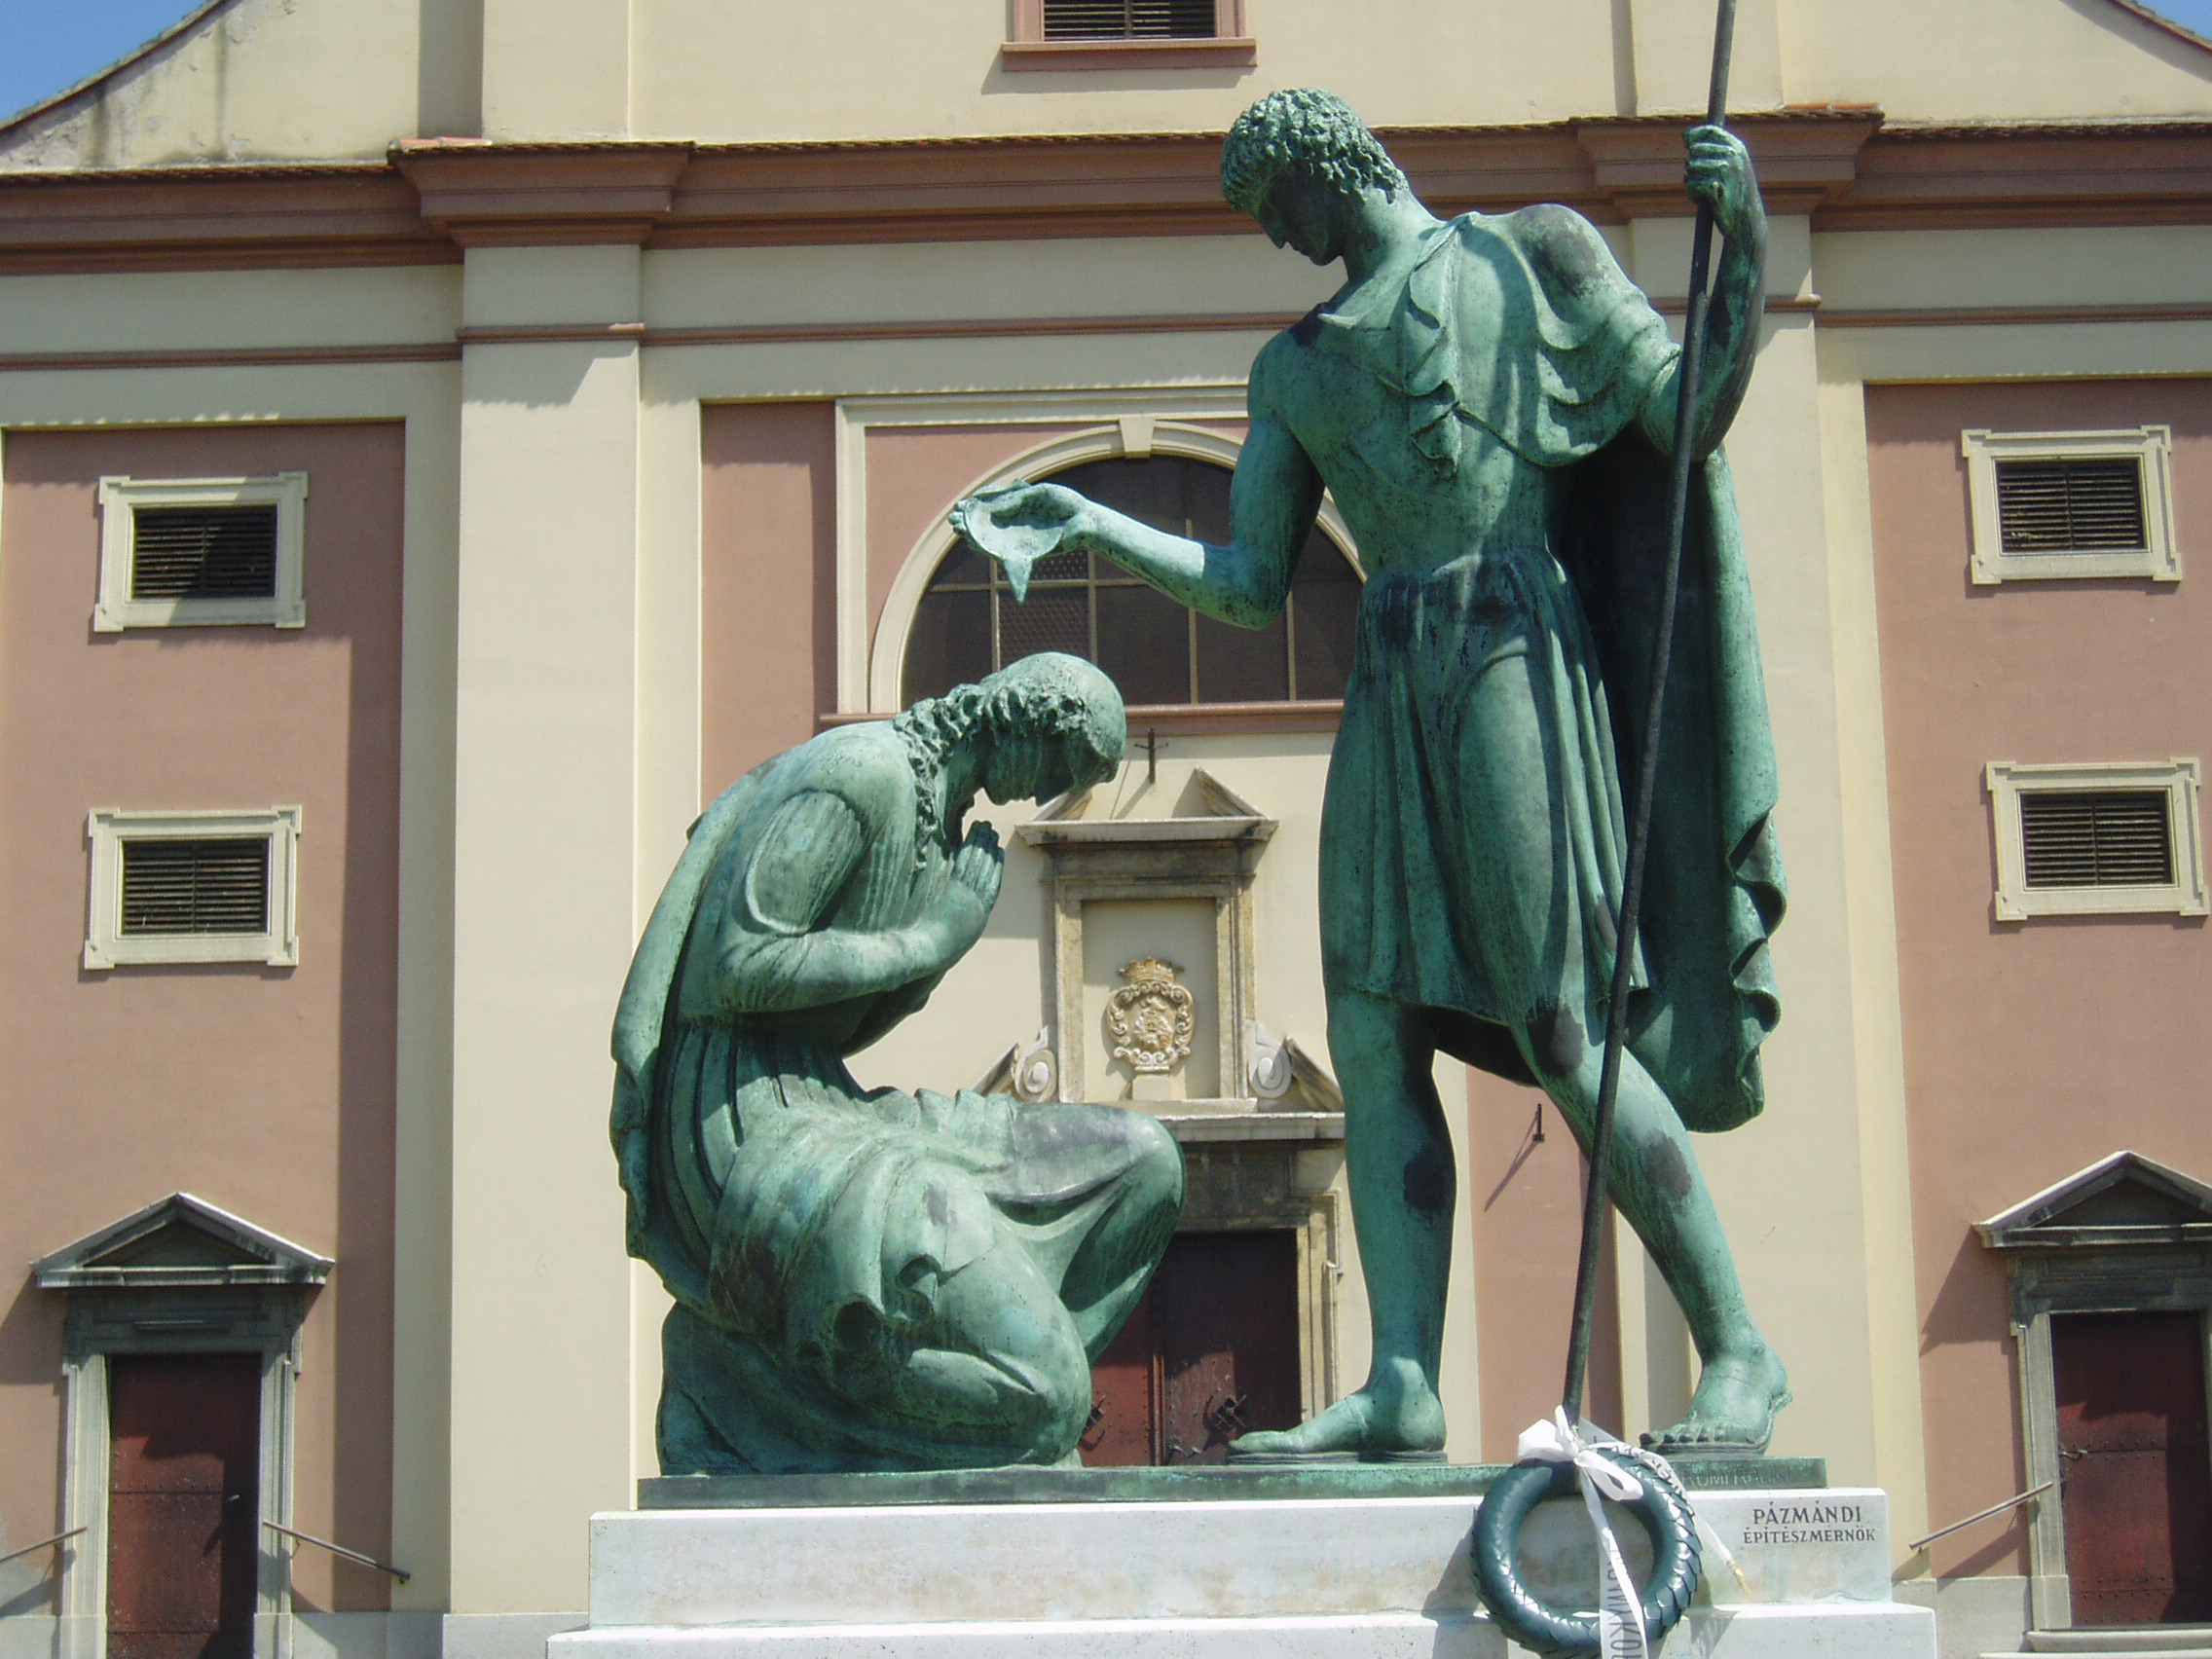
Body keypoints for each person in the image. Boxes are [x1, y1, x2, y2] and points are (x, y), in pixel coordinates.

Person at [952, 90, 1789, 1456]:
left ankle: (1740, 1346)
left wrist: (1743, 244)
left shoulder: (1533, 255)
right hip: (1393, 679)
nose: (1280, 239)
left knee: (1562, 1027)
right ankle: (1404, 1380)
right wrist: (1094, 521)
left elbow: (1687, 417)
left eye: (1276, 207)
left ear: (1329, 165)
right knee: (1372, 1023)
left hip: (1511, 644)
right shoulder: (1293, 371)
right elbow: (1248, 583)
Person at [611, 652, 1185, 1473]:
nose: (1047, 792)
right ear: (1028, 717)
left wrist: (932, 955)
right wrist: (931, 939)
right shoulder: (862, 773)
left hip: (828, 1102)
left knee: (1145, 1165)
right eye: (1062, 766)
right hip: (741, 1130)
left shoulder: (938, 817)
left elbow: (842, 1021)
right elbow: (733, 968)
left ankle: (946, 1392)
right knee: (1051, 1401)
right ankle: (742, 1380)